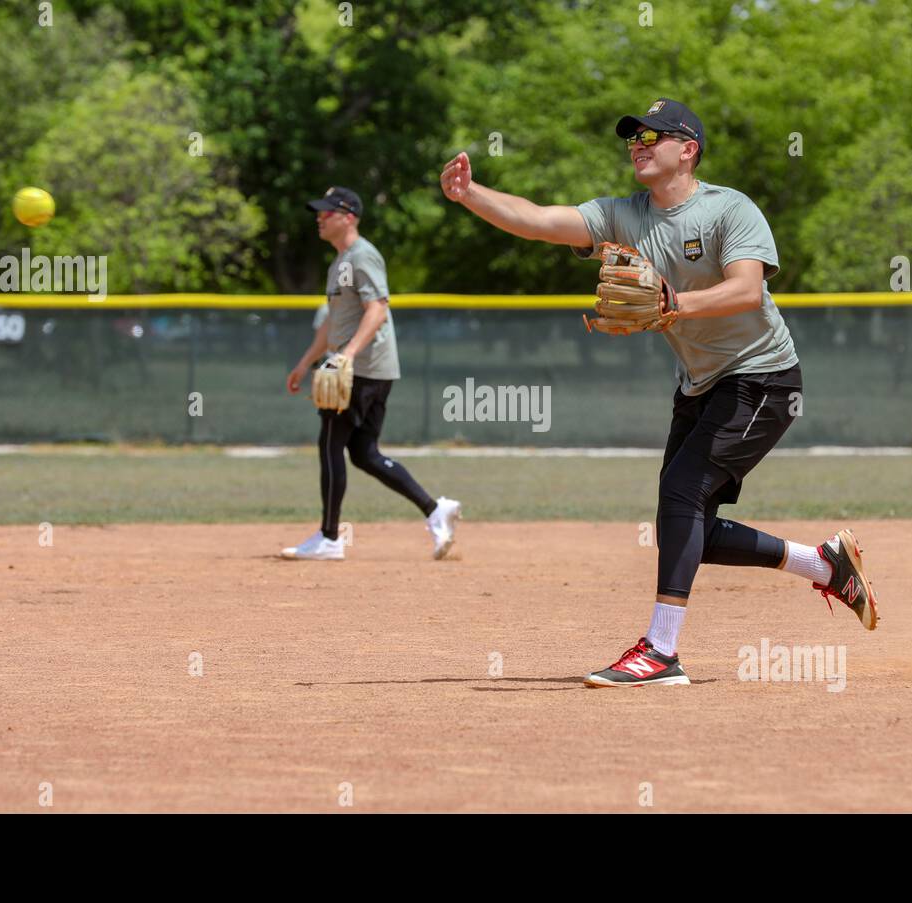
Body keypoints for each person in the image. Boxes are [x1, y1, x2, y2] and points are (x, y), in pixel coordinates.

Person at [439, 99, 878, 687]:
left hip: (764, 378)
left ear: (688, 149)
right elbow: (541, 220)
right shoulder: (624, 215)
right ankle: (821, 564)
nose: (638, 143)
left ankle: (661, 651)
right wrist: (471, 195)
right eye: (632, 137)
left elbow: (746, 290)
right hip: (700, 384)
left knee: (680, 494)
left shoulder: (729, 209)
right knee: (684, 522)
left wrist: (677, 303)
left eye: (652, 134)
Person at [284, 186, 461, 561]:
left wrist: (345, 356)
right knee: (364, 453)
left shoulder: (363, 256)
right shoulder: (342, 261)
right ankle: (435, 510)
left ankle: (330, 538)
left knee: (330, 443)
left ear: (348, 216)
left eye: (327, 212)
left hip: (361, 369)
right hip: (369, 368)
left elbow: (377, 309)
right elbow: (333, 320)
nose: (320, 217)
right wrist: (305, 363)